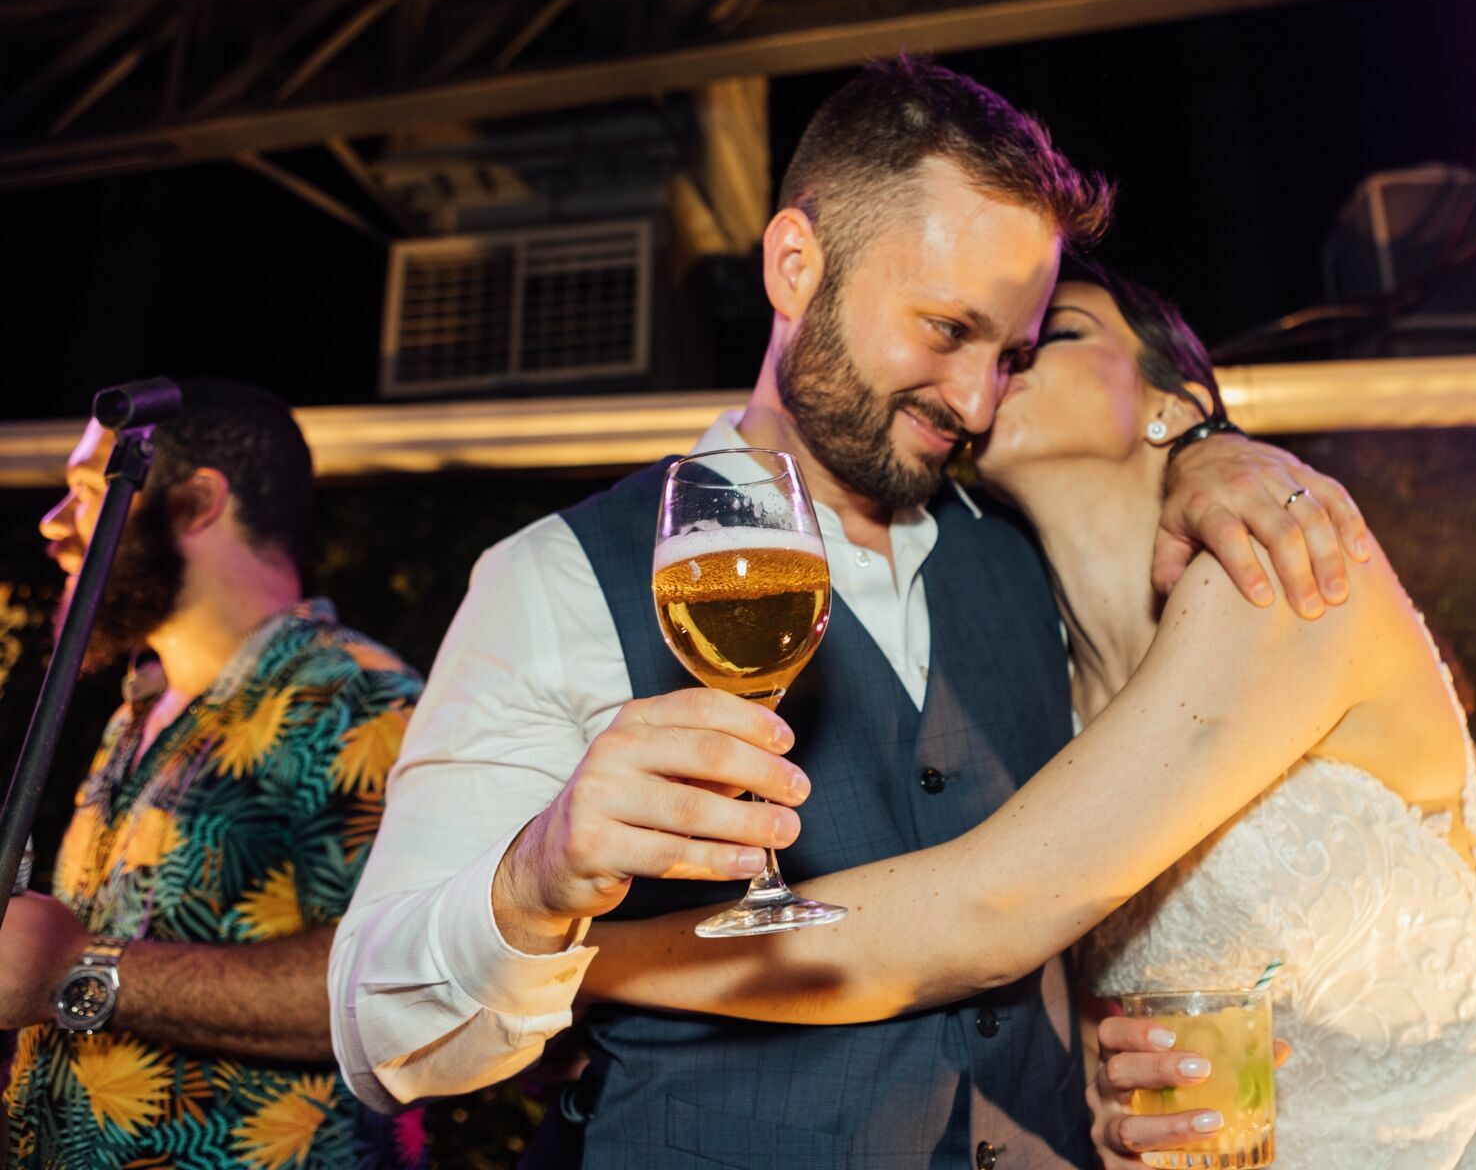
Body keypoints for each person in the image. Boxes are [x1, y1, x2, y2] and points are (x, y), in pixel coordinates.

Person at [329, 57, 1368, 1168]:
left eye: (1011, 354)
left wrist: (1214, 448)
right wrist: (533, 883)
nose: (976, 401)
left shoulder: (1028, 552)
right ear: (794, 264)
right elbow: (378, 1034)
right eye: (944, 328)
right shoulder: (556, 577)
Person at [575, 259, 1476, 1168]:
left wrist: (583, 958)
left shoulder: (1275, 567)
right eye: (989, 345)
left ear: (1171, 401)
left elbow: (988, 908)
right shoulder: (1048, 698)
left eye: (1053, 335)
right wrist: (1121, 1131)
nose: (1004, 361)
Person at [1, 380, 427, 1168]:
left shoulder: (356, 698)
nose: (53, 523)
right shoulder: (140, 708)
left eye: (90, 493)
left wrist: (75, 967)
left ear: (196, 504)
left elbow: (404, 986)